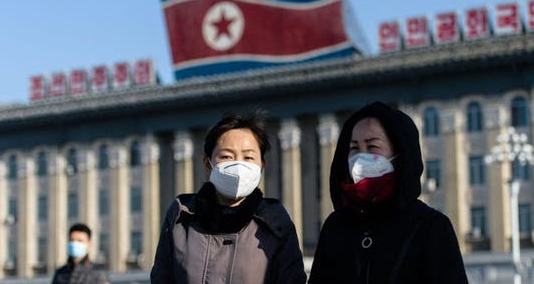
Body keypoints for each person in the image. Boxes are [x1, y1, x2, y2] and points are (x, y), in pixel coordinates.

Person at [309, 101, 469, 283]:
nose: (361, 157)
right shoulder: (336, 226)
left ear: (399, 155)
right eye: (354, 148)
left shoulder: (430, 226)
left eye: (372, 147)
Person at [151, 111, 307, 283]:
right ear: (208, 164)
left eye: (248, 157)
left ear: (261, 165)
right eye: (226, 156)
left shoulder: (276, 224)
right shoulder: (181, 219)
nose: (238, 164)